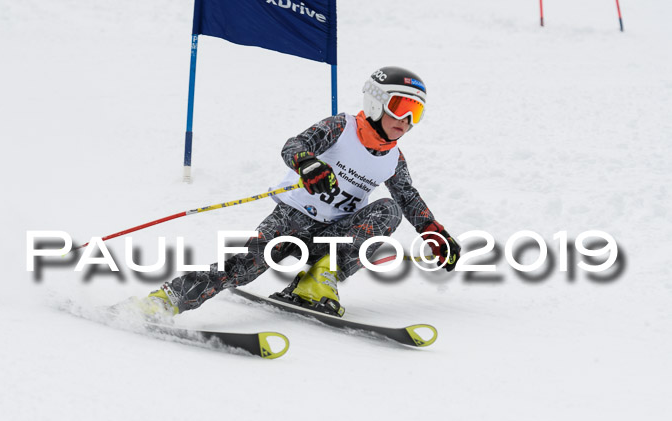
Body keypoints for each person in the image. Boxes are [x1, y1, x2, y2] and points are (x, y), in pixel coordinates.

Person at [140, 66, 461, 318]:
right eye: (400, 106)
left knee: (388, 209)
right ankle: (165, 300)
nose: (406, 121)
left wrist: (434, 232)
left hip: (334, 235)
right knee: (242, 267)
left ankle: (315, 281)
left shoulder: (393, 158)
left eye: (415, 114)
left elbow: (408, 198)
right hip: (292, 220)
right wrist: (309, 165)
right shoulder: (342, 128)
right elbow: (295, 146)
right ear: (376, 101)